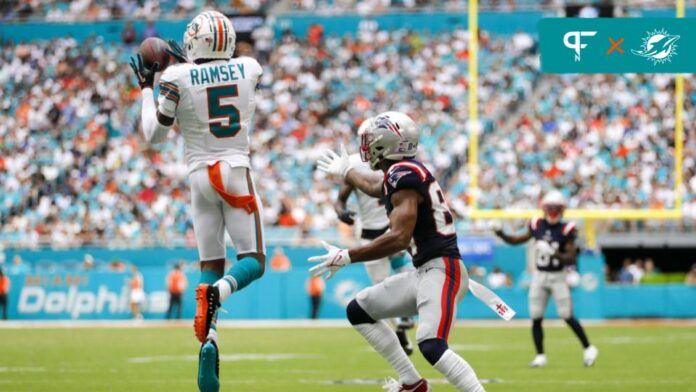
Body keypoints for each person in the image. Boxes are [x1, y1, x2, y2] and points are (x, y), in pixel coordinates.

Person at [312, 112, 513, 392]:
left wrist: (347, 256)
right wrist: (347, 171)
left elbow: (397, 238)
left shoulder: (403, 174)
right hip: (426, 270)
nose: (366, 146)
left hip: (442, 269)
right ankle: (412, 383)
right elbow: (373, 187)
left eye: (371, 140)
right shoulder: (401, 172)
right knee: (359, 310)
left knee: (432, 345)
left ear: (387, 142)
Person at [130, 10, 266, 392]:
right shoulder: (249, 68)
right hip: (235, 171)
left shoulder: (175, 76)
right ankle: (218, 293)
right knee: (253, 262)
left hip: (198, 178)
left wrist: (147, 86)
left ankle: (210, 340)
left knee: (210, 263)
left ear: (195, 41)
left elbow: (154, 135)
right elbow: (222, 78)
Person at [333, 117, 415, 355]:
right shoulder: (357, 165)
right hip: (370, 234)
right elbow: (340, 199)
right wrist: (342, 212)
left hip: (394, 229)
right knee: (383, 288)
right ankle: (400, 327)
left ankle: (404, 319)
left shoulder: (398, 163)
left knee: (407, 274)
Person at [493, 190, 599, 367]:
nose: (552, 212)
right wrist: (500, 233)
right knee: (536, 316)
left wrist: (553, 252)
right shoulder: (537, 224)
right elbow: (516, 240)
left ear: (562, 210)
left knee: (566, 315)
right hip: (540, 275)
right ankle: (540, 355)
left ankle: (589, 348)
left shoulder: (567, 229)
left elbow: (571, 258)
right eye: (549, 208)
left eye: (555, 208)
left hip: (558, 276)